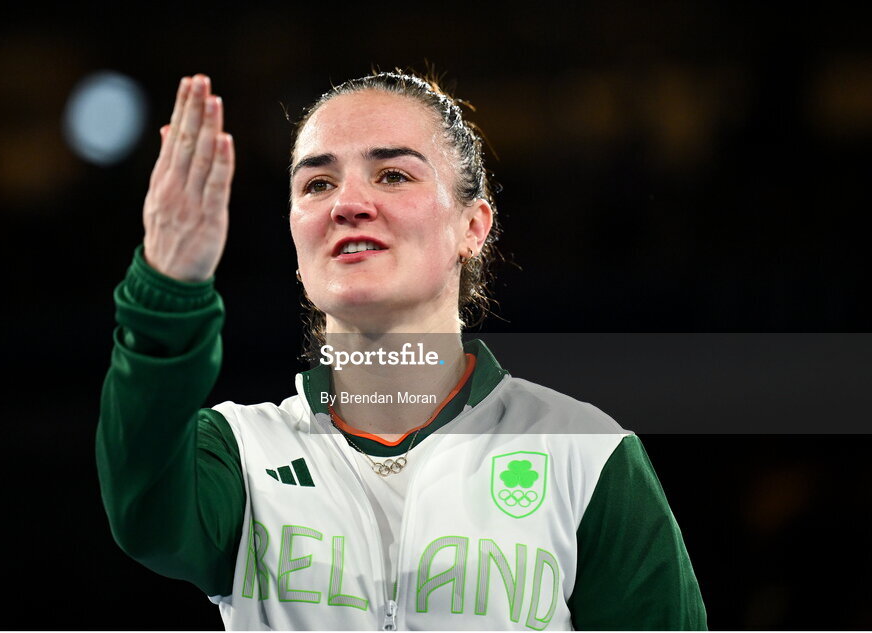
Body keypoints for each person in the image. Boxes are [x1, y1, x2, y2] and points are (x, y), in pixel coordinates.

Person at [96, 70, 707, 630]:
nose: (348, 203)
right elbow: (144, 515)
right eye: (317, 182)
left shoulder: (586, 453)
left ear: (473, 226)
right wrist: (168, 288)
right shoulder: (240, 454)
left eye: (393, 174)